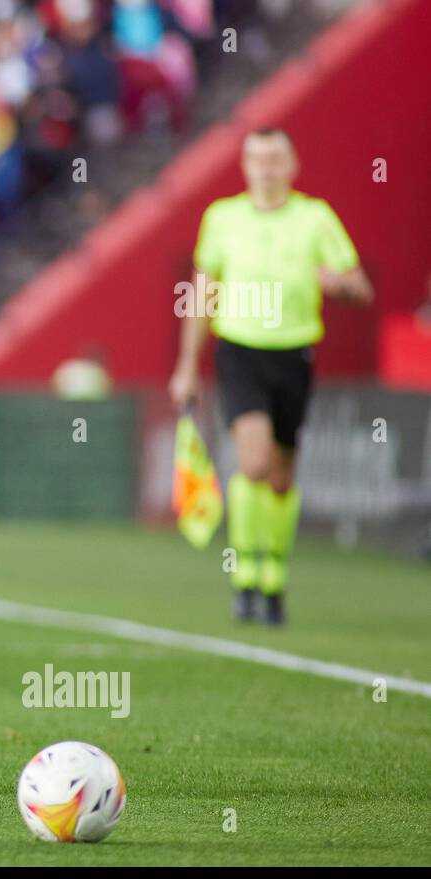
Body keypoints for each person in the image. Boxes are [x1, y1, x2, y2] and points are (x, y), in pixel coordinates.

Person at [169, 128, 373, 625]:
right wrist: (187, 366)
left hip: (293, 354)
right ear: (244, 165)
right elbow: (202, 295)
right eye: (256, 158)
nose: (265, 167)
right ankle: (244, 575)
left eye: (274, 157)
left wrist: (341, 285)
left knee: (281, 478)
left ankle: (274, 577)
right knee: (254, 463)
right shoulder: (222, 218)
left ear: (292, 164)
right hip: (239, 351)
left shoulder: (315, 218)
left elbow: (360, 288)